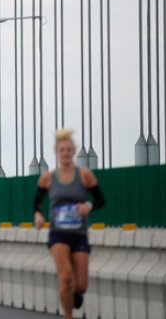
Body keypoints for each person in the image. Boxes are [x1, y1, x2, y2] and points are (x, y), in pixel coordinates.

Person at [34, 129, 106, 319]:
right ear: (57, 153)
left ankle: (75, 293)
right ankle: (68, 316)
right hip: (58, 233)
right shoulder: (47, 178)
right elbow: (37, 202)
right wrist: (38, 215)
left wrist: (88, 206)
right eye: (62, 150)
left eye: (68, 149)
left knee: (81, 285)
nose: (65, 153)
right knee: (66, 277)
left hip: (79, 233)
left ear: (73, 151)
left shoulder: (85, 176)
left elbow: (100, 200)